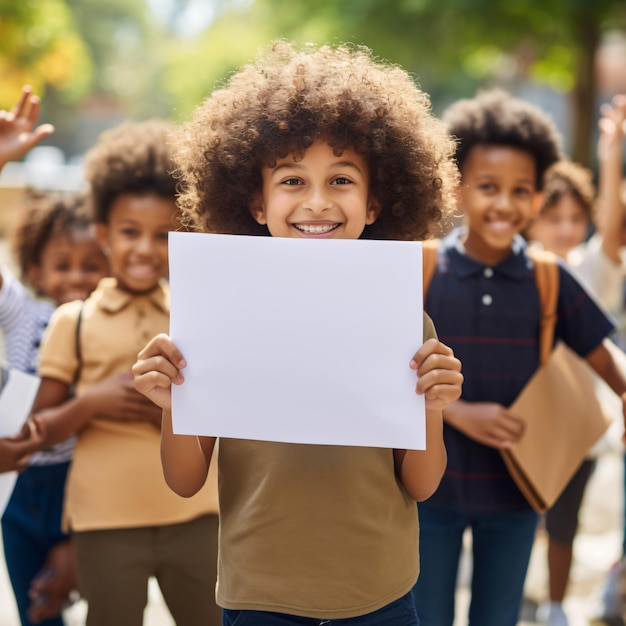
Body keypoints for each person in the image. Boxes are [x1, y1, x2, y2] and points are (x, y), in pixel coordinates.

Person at [131, 41, 464, 625]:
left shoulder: (405, 319)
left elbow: (422, 482)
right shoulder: (217, 313)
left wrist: (433, 407)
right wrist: (171, 404)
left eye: (341, 179)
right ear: (255, 202)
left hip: (381, 596)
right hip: (260, 597)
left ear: (376, 199)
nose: (316, 201)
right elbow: (185, 480)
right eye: (291, 180)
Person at [410, 88, 626, 626]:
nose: (504, 204)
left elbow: (606, 357)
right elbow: (375, 367)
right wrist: (459, 412)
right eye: (488, 187)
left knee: (497, 618)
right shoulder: (423, 270)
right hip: (428, 489)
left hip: (517, 492)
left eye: (520, 191)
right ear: (458, 190)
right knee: (426, 617)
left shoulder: (549, 277)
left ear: (537, 198)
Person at [19, 119, 221, 626]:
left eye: (162, 235)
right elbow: (39, 429)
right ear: (105, 234)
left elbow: (218, 420)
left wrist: (171, 417)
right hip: (104, 521)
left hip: (195, 516)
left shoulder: (195, 313)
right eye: (130, 233)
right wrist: (93, 404)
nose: (145, 249)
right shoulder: (74, 320)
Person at [0, 86, 110, 626]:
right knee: (36, 612)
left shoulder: (117, 325)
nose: (77, 278)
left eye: (92, 265)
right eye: (62, 264)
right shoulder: (23, 314)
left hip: (86, 481)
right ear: (35, 271)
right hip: (19, 490)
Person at [524, 160, 598, 626]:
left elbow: (610, 234)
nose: (567, 229)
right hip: (524, 421)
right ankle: (522, 595)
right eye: (555, 219)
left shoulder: (588, 271)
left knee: (564, 524)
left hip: (575, 423)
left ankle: (554, 605)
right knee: (519, 521)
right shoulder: (518, 272)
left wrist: (611, 156)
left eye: (576, 218)